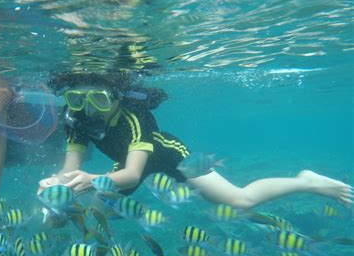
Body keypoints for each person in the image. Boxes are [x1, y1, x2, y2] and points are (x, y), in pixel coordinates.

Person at [38, 72, 352, 209]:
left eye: (100, 99)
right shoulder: (75, 118)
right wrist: (56, 183)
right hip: (124, 166)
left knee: (238, 200)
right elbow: (70, 169)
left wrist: (92, 179)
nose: (90, 108)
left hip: (167, 154)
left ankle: (306, 181)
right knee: (94, 215)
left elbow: (133, 174)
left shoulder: (135, 117)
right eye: (79, 99)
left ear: (119, 97)